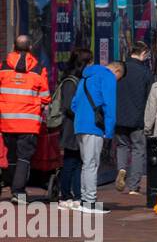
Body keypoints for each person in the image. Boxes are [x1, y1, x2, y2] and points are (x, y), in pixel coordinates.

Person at [0, 35, 51, 205]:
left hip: (7, 121)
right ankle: (18, 192)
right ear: (30, 47)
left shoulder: (3, 67)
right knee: (24, 158)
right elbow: (45, 97)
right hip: (29, 123)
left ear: (14, 46)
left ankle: (13, 186)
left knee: (13, 156)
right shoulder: (38, 69)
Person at [71, 60, 124, 214]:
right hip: (94, 127)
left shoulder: (86, 77)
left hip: (80, 125)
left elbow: (74, 104)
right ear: (117, 71)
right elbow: (110, 104)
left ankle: (84, 199)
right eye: (118, 79)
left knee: (86, 164)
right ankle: (90, 202)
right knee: (92, 164)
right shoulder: (107, 76)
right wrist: (109, 130)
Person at [54, 48, 93, 207]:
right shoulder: (71, 82)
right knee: (71, 161)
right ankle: (65, 195)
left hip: (76, 126)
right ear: (83, 63)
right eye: (90, 61)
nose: (92, 64)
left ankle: (77, 195)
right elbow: (68, 106)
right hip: (71, 128)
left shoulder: (78, 80)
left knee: (77, 161)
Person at [113, 41, 152, 195]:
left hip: (119, 116)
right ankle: (133, 186)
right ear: (143, 54)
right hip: (137, 117)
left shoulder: (119, 68)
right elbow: (149, 97)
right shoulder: (145, 72)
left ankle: (122, 168)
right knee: (138, 149)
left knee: (122, 146)